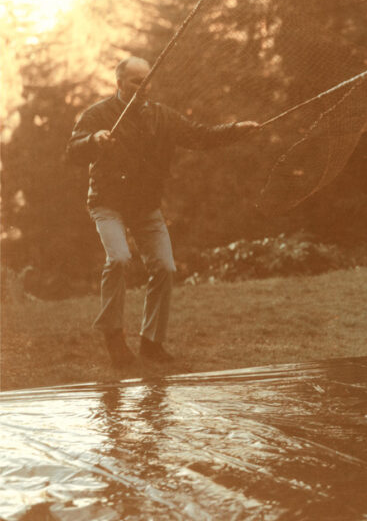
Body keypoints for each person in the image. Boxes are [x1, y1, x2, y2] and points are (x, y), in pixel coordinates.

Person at [66, 56, 259, 367]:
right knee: (118, 259)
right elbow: (72, 151)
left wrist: (236, 130)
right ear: (119, 83)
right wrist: (94, 139)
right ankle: (114, 338)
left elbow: (200, 135)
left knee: (165, 268)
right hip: (108, 201)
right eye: (135, 81)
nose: (143, 86)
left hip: (145, 206)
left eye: (146, 80)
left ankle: (151, 342)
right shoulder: (98, 114)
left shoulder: (161, 116)